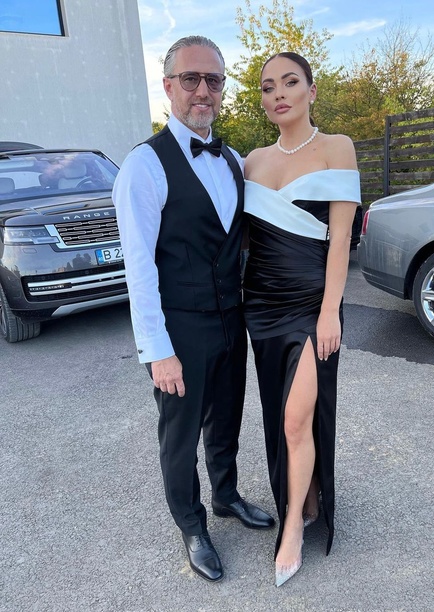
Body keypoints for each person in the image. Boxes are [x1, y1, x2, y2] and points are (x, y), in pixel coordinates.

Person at [112, 35, 274, 584]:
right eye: (191, 79)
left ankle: (226, 495)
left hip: (232, 319)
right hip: (178, 327)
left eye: (214, 80)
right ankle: (191, 525)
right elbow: (138, 268)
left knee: (226, 417)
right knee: (179, 436)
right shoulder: (144, 166)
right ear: (168, 86)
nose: (203, 90)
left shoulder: (233, 160)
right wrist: (157, 351)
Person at [243, 52, 361, 586]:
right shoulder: (251, 161)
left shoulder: (337, 147)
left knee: (296, 418)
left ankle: (293, 525)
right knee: (280, 413)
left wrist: (331, 311)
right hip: (261, 306)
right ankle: (304, 493)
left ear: (311, 90)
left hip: (312, 307)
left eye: (289, 82)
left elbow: (341, 238)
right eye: (268, 87)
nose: (278, 94)